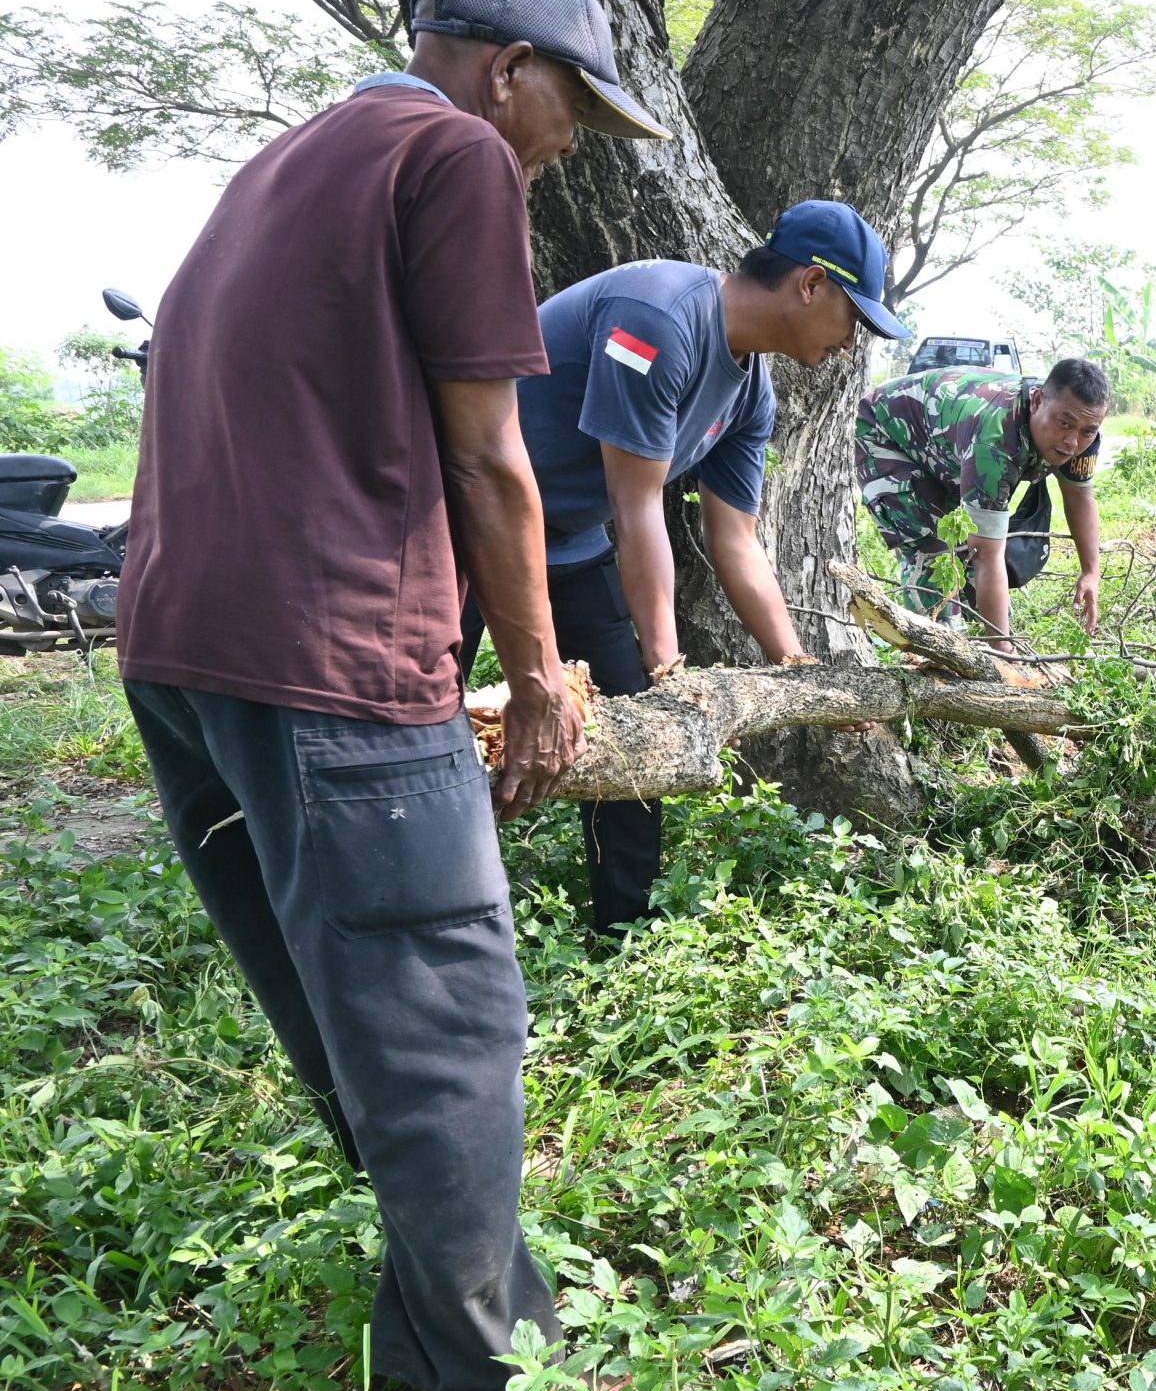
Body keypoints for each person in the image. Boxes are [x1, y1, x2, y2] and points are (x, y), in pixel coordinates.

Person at [113, 0, 668, 1391]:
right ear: (508, 70)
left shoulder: (290, 159)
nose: (562, 146)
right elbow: (492, 458)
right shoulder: (455, 153)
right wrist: (543, 677)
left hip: (183, 655)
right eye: (571, 109)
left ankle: (445, 1349)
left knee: (362, 1023)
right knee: (446, 1021)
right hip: (330, 661)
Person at [461, 200, 909, 933]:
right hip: (462, 526)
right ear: (811, 284)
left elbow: (735, 540)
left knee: (632, 738)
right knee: (420, 718)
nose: (850, 342)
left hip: (564, 539)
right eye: (853, 319)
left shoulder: (752, 393)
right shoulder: (659, 317)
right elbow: (636, 507)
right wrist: (671, 672)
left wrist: (797, 667)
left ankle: (621, 933)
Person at [854, 357, 1111, 643]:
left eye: (1087, 431)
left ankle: (978, 643)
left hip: (948, 444)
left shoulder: (1084, 430)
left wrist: (1091, 572)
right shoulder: (995, 440)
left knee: (971, 562)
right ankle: (930, 648)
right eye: (1064, 423)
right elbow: (988, 554)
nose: (1072, 442)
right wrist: (1004, 652)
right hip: (886, 432)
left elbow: (1079, 493)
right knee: (934, 550)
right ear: (1038, 401)